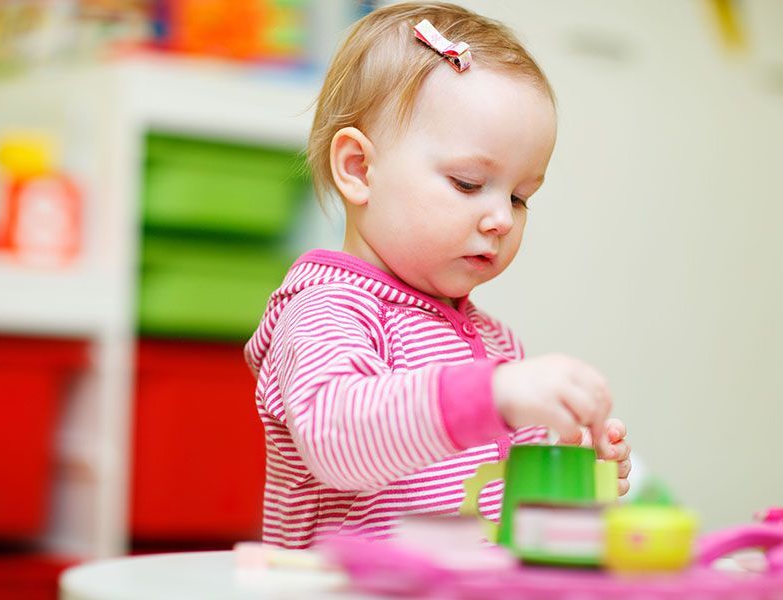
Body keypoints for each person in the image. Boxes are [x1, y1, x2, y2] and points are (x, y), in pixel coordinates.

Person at [245, 1, 632, 549]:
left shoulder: (496, 345)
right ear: (359, 168)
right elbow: (336, 441)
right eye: (469, 184)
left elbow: (500, 512)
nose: (500, 218)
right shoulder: (326, 308)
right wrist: (493, 396)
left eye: (521, 197)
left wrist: (567, 476)